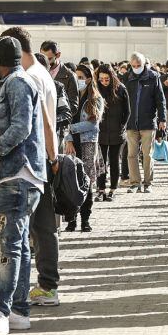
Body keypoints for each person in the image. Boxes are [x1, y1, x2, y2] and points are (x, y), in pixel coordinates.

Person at [0, 36, 45, 335]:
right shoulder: (20, 81)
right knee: (18, 245)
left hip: (16, 175)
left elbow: (21, 127)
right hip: (20, 175)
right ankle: (19, 309)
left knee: (10, 245)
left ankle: (2, 310)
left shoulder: (17, 83)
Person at [0, 27, 60, 308]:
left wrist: (52, 156)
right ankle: (43, 285)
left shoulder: (27, 78)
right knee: (37, 230)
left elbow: (43, 123)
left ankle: (41, 287)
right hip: (42, 160)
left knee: (33, 232)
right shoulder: (40, 72)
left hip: (33, 162)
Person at [63, 64, 104, 232]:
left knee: (86, 182)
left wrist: (72, 128)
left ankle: (85, 219)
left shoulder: (96, 98)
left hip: (88, 144)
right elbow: (65, 122)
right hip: (72, 144)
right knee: (71, 182)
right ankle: (71, 220)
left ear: (88, 79)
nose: (78, 80)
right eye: (76, 77)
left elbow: (93, 124)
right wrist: (69, 138)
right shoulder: (71, 97)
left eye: (81, 77)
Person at [123, 52, 166, 193]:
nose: (136, 68)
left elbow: (160, 99)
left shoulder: (153, 77)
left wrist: (162, 118)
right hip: (131, 123)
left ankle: (148, 182)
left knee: (147, 154)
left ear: (144, 64)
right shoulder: (127, 78)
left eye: (139, 65)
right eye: (133, 66)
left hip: (148, 122)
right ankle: (135, 182)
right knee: (131, 154)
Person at [94, 64, 129, 201]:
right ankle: (101, 189)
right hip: (100, 131)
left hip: (116, 130)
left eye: (106, 79)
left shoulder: (120, 89)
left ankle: (112, 189)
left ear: (112, 77)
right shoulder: (95, 88)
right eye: (101, 79)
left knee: (114, 161)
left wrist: (122, 126)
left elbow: (127, 111)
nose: (104, 82)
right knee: (101, 162)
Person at [40, 40, 78, 113]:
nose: (46, 62)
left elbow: (73, 106)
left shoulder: (70, 76)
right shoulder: (38, 72)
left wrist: (55, 116)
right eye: (43, 58)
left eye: (49, 58)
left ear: (58, 55)